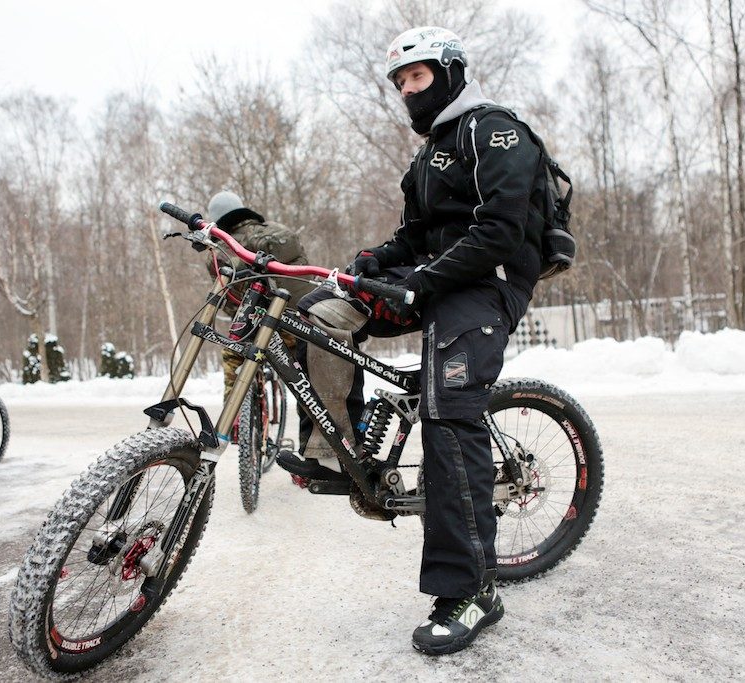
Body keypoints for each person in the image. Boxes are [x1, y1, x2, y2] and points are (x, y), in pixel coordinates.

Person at [278, 26, 548, 654]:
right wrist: (374, 261)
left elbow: (501, 231)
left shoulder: (494, 130)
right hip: (432, 281)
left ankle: (471, 590)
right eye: (400, 84)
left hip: (486, 284)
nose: (407, 92)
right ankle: (335, 451)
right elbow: (415, 236)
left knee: (447, 414)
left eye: (417, 78)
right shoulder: (427, 158)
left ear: (450, 73)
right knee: (319, 312)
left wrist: (420, 279)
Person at [206, 191, 313, 401]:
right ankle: (310, 430)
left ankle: (235, 421)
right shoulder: (276, 232)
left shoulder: (223, 250)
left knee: (232, 355)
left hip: (262, 331)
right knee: (308, 389)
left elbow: (231, 305)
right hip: (303, 324)